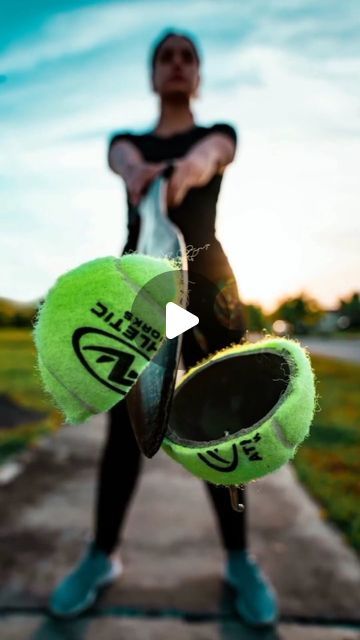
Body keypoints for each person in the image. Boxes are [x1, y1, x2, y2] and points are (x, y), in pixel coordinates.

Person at [49, 29, 278, 626]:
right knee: (124, 435)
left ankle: (239, 559)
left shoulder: (216, 134)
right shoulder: (129, 144)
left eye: (187, 58)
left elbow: (212, 157)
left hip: (211, 291)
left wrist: (187, 170)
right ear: (153, 75)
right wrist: (140, 174)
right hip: (140, 293)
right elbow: (122, 159)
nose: (177, 66)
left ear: (197, 75)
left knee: (222, 431)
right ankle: (101, 556)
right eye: (166, 58)